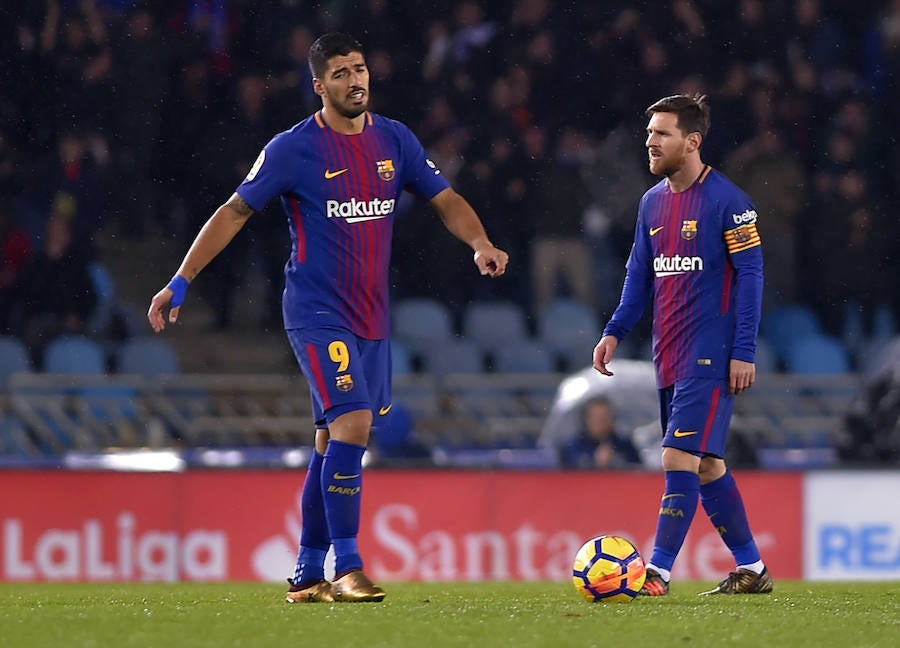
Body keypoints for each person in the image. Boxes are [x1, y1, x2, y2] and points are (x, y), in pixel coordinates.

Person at [147, 33, 508, 603]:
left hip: (372, 318)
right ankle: (350, 565)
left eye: (359, 68)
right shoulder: (294, 149)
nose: (354, 80)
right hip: (316, 311)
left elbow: (446, 199)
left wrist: (479, 242)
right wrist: (181, 279)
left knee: (331, 442)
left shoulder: (396, 139)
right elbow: (233, 212)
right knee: (355, 423)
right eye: (339, 73)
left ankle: (306, 573)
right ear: (319, 86)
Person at [592, 94, 772, 597]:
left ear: (691, 142)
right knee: (707, 464)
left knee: (676, 456)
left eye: (662, 133)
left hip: (710, 353)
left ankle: (658, 571)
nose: (650, 141)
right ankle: (753, 569)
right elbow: (638, 279)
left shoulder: (730, 203)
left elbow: (752, 277)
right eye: (649, 132)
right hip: (667, 354)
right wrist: (614, 331)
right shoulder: (651, 203)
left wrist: (744, 350)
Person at [560, 396, 641, 469]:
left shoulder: (624, 445)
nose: (602, 422)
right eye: (596, 418)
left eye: (606, 417)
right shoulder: (573, 446)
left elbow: (638, 469)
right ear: (586, 419)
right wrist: (594, 463)